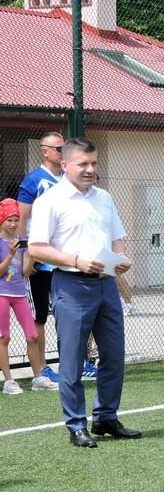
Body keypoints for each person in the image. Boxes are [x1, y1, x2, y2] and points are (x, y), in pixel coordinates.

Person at [27, 137, 140, 448]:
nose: (90, 169)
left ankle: (105, 417)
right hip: (71, 284)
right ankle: (76, 425)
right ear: (65, 165)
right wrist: (76, 261)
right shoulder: (50, 201)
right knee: (73, 359)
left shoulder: (104, 197)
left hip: (106, 283)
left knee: (113, 356)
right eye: (83, 164)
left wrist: (121, 258)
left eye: (93, 163)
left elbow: (117, 237)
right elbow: (36, 248)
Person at [16, 131, 64, 384]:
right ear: (45, 151)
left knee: (69, 314)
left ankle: (73, 363)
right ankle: (43, 367)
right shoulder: (34, 180)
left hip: (65, 261)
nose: (63, 153)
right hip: (40, 262)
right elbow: (21, 219)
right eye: (59, 148)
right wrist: (26, 254)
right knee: (40, 317)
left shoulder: (69, 178)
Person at [0, 199, 58, 394]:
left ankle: (38, 378)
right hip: (2, 294)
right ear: (1, 221)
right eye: (9, 220)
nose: (13, 224)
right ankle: (9, 381)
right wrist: (10, 254)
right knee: (3, 337)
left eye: (16, 220)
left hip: (20, 294)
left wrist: (32, 254)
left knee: (32, 336)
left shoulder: (22, 242)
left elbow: (25, 272)